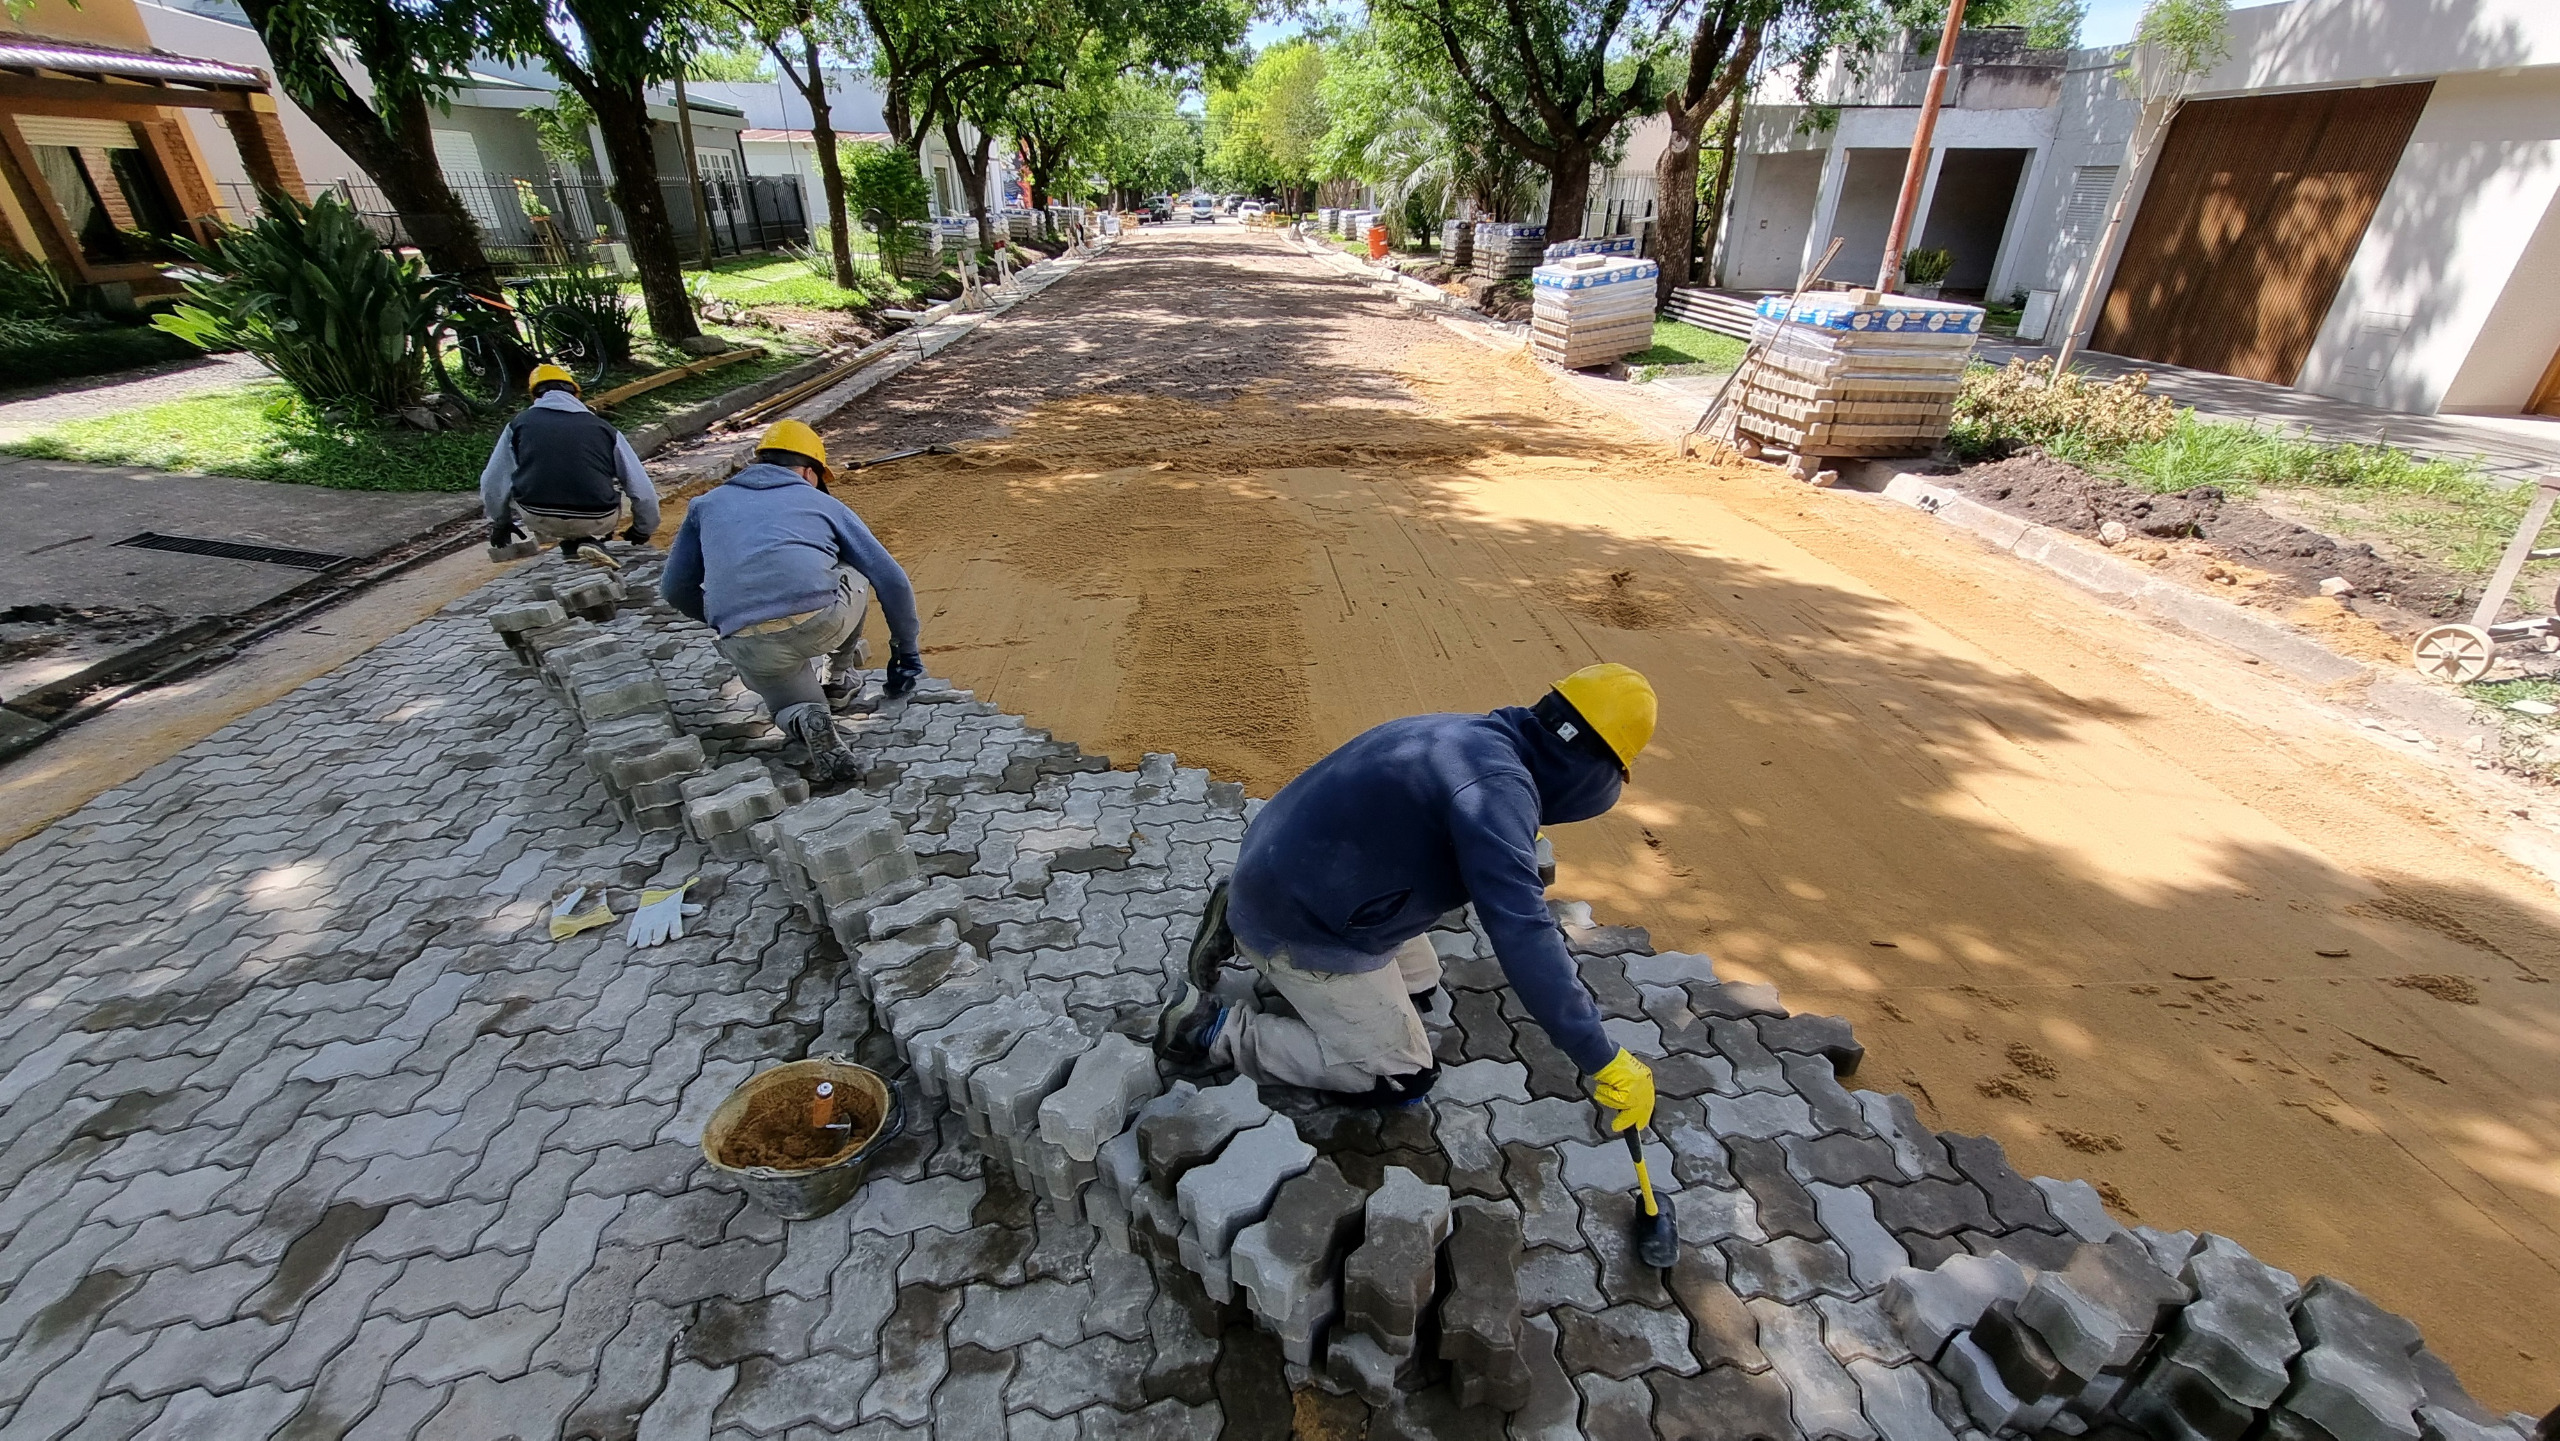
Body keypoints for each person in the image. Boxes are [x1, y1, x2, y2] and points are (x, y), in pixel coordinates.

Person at [1157, 663, 1659, 1138]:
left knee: (1422, 986)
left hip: (1287, 870)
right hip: (1301, 918)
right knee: (1400, 1076)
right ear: (1592, 771)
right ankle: (1209, 1029)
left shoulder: (1472, 736)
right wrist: (1599, 1055)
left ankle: (1239, 910)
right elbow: (1522, 930)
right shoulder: (1493, 791)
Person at [659, 419, 924, 782]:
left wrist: (728, 618)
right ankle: (837, 679)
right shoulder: (821, 504)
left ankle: (805, 719)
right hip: (820, 620)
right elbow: (891, 579)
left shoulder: (704, 505)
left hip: (747, 641)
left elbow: (674, 589)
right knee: (856, 568)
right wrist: (905, 652)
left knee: (791, 706)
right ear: (808, 471)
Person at [480, 363, 658, 566]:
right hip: (598, 518)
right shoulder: (604, 429)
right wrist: (643, 528)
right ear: (575, 394)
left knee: (517, 482)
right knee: (612, 486)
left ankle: (573, 545)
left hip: (538, 516)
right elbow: (642, 488)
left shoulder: (518, 425)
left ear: (535, 396)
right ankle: (587, 540)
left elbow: (492, 482)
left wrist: (500, 522)